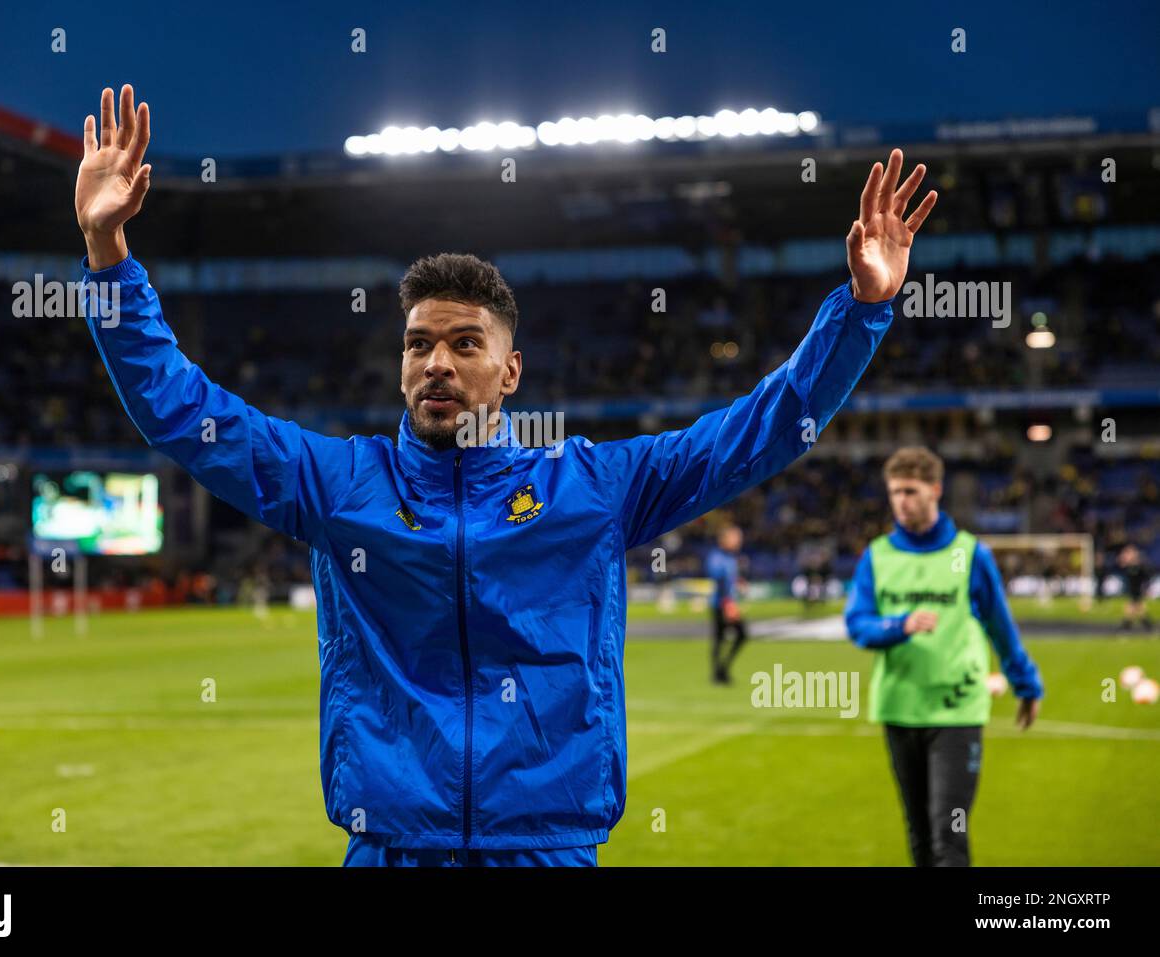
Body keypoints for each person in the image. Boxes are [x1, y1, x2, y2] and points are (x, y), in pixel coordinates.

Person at [76, 84, 936, 866]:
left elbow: (761, 430)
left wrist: (861, 313)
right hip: (391, 848)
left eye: (463, 343)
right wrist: (109, 254)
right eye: (417, 345)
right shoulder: (340, 484)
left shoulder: (591, 487)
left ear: (510, 371)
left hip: (546, 847)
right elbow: (182, 413)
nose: (436, 364)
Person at [844, 447, 1043, 867]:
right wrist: (899, 625)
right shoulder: (877, 556)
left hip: (956, 711)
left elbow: (1000, 628)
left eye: (911, 491)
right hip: (899, 707)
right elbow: (858, 625)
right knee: (918, 838)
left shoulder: (970, 555)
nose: (902, 501)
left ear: (935, 489)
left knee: (948, 838)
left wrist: (1027, 685)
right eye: (895, 492)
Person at [705, 524, 748, 684]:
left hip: (727, 603)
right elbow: (720, 581)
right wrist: (728, 604)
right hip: (721, 605)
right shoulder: (717, 557)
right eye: (736, 537)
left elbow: (728, 578)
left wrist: (739, 582)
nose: (739, 541)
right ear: (724, 539)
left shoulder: (730, 557)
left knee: (724, 638)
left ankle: (720, 671)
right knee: (725, 637)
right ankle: (719, 672)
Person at [1116, 544, 1153, 632]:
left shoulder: (1139, 566)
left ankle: (1129, 624)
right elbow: (1121, 564)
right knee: (1135, 606)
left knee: (1134, 606)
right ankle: (1143, 623)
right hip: (1132, 588)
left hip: (1137, 588)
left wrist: (1146, 588)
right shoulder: (1129, 566)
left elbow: (1146, 577)